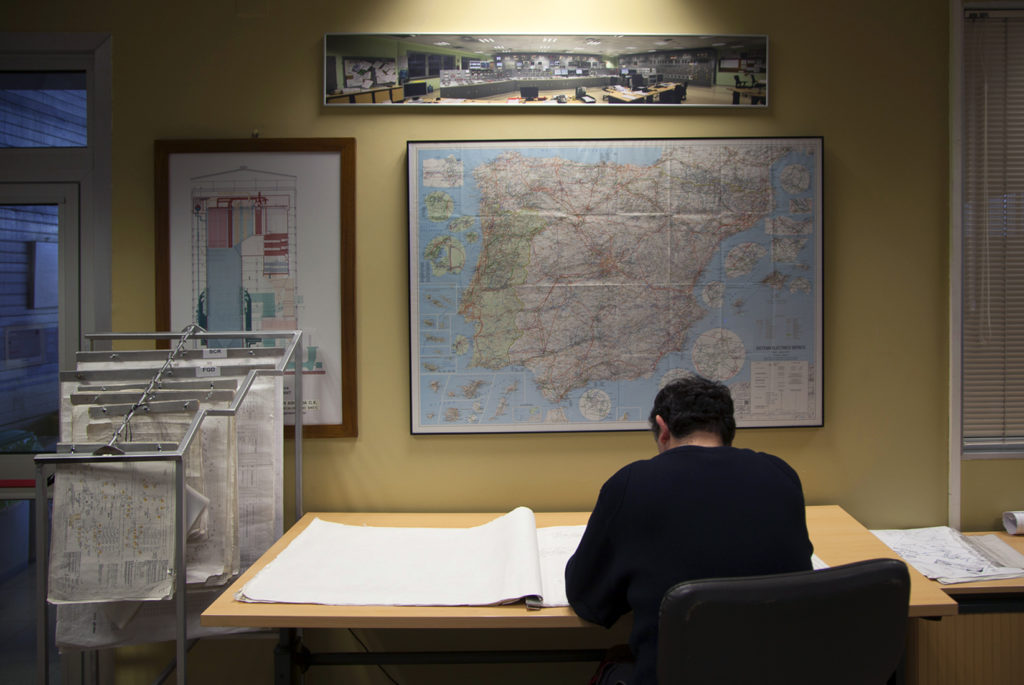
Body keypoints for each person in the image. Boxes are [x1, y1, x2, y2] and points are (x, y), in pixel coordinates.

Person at [564, 375, 813, 685]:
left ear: (662, 428)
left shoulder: (632, 483)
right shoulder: (781, 475)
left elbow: (589, 602)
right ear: (728, 430)